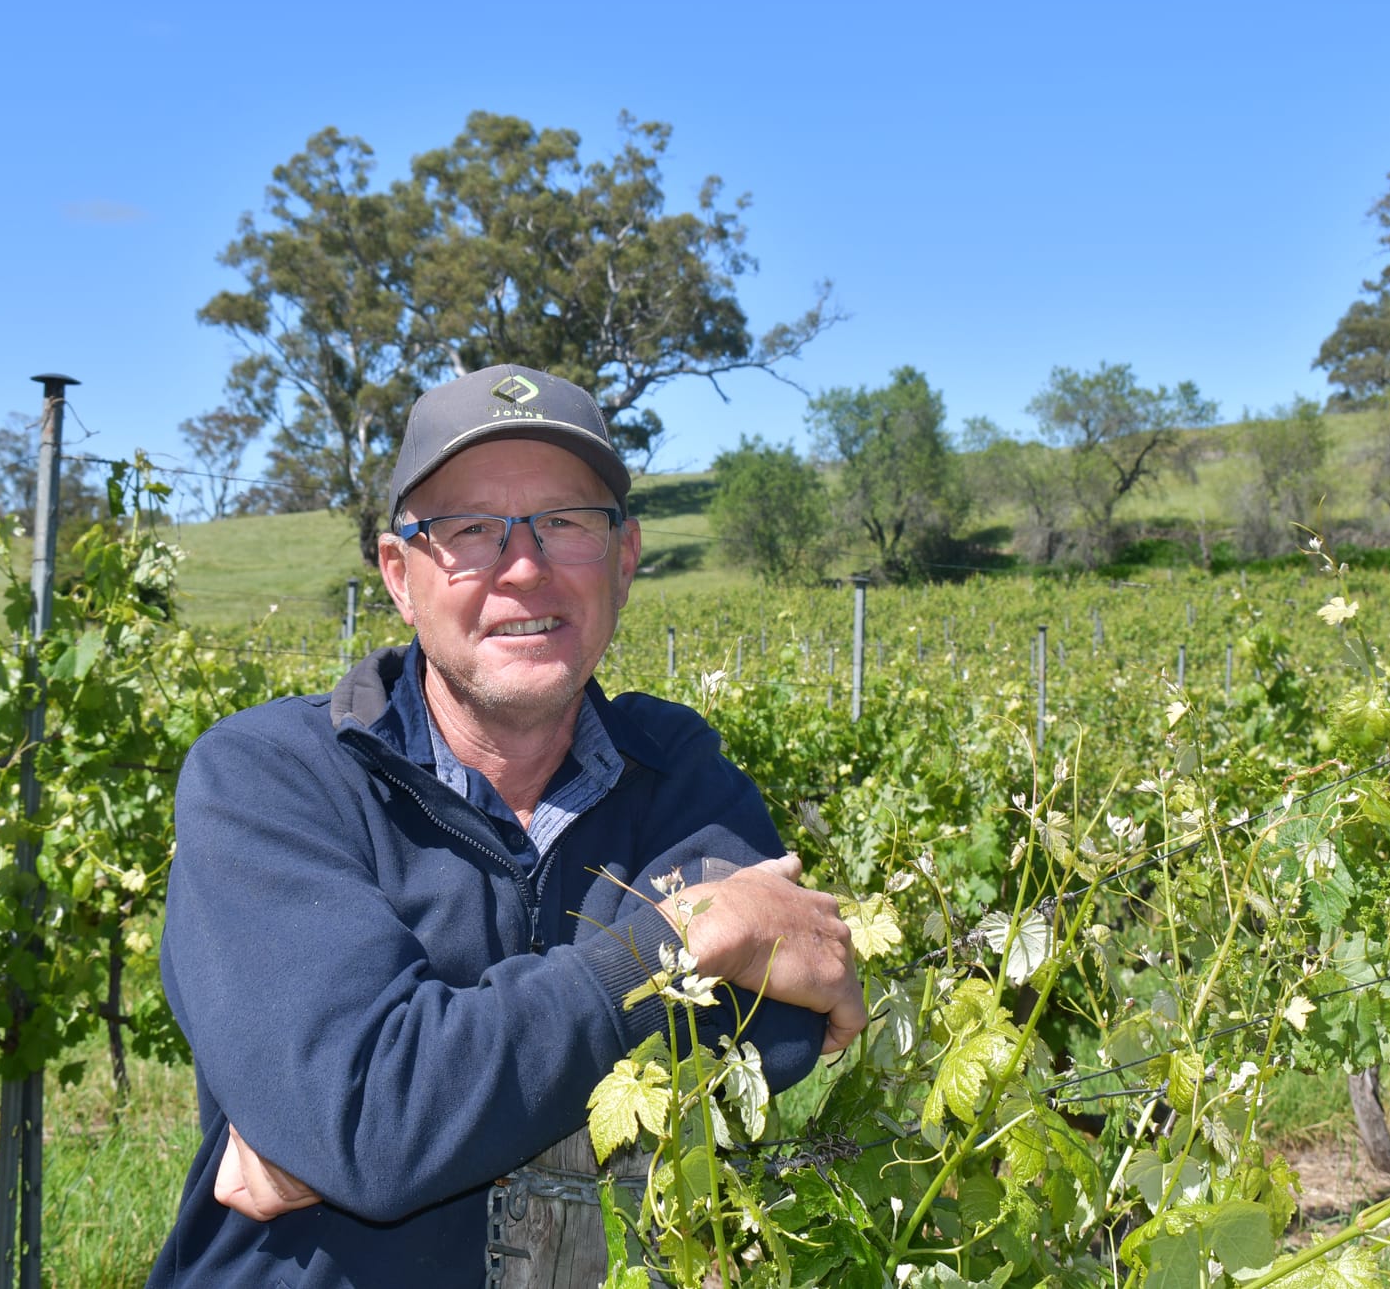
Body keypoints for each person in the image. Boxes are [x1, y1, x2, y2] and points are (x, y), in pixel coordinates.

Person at [146, 364, 865, 1288]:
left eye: (566, 522)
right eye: (470, 530)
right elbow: (370, 1123)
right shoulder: (270, 775)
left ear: (625, 559)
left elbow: (782, 1022)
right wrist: (681, 941)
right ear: (400, 576)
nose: (523, 566)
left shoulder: (676, 769)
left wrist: (372, 1123)